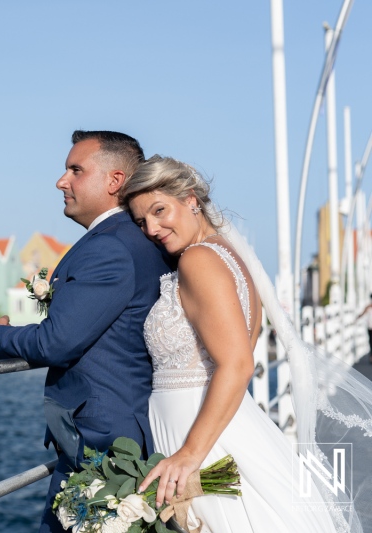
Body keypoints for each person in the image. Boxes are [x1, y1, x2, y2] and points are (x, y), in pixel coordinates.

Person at [123, 155, 340, 532]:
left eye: (159, 211)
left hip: (203, 440)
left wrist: (190, 454)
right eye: (142, 221)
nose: (152, 228)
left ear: (190, 199)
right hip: (220, 426)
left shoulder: (198, 261)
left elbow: (238, 363)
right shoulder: (228, 254)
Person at [0, 131, 171, 533]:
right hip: (117, 429)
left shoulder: (110, 246)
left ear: (114, 181)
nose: (62, 181)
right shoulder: (137, 241)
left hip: (103, 443)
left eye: (75, 170)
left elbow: (56, 341)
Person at [356, 294, 372, 364]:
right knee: (371, 342)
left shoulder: (368, 307)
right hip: (370, 327)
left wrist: (358, 317)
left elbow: (362, 314)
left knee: (371, 342)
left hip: (370, 327)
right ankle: (371, 356)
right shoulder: (368, 307)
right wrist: (358, 317)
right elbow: (363, 314)